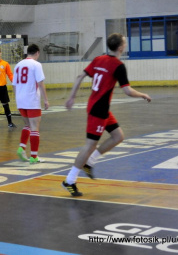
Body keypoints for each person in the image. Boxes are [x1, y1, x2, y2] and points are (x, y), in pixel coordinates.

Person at [62, 33, 151, 196]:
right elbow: (127, 91)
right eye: (124, 43)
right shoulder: (118, 65)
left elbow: (79, 76)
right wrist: (143, 95)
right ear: (120, 48)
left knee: (118, 136)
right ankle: (69, 180)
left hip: (99, 108)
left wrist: (72, 97)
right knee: (89, 145)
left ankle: (90, 162)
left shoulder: (98, 59)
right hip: (98, 111)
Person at [13, 44, 49, 164]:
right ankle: (34, 156)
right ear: (37, 53)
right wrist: (45, 100)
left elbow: (14, 85)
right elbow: (40, 83)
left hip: (20, 100)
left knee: (27, 125)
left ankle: (21, 148)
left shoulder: (18, 65)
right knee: (35, 127)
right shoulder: (36, 65)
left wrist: (17, 99)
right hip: (31, 100)